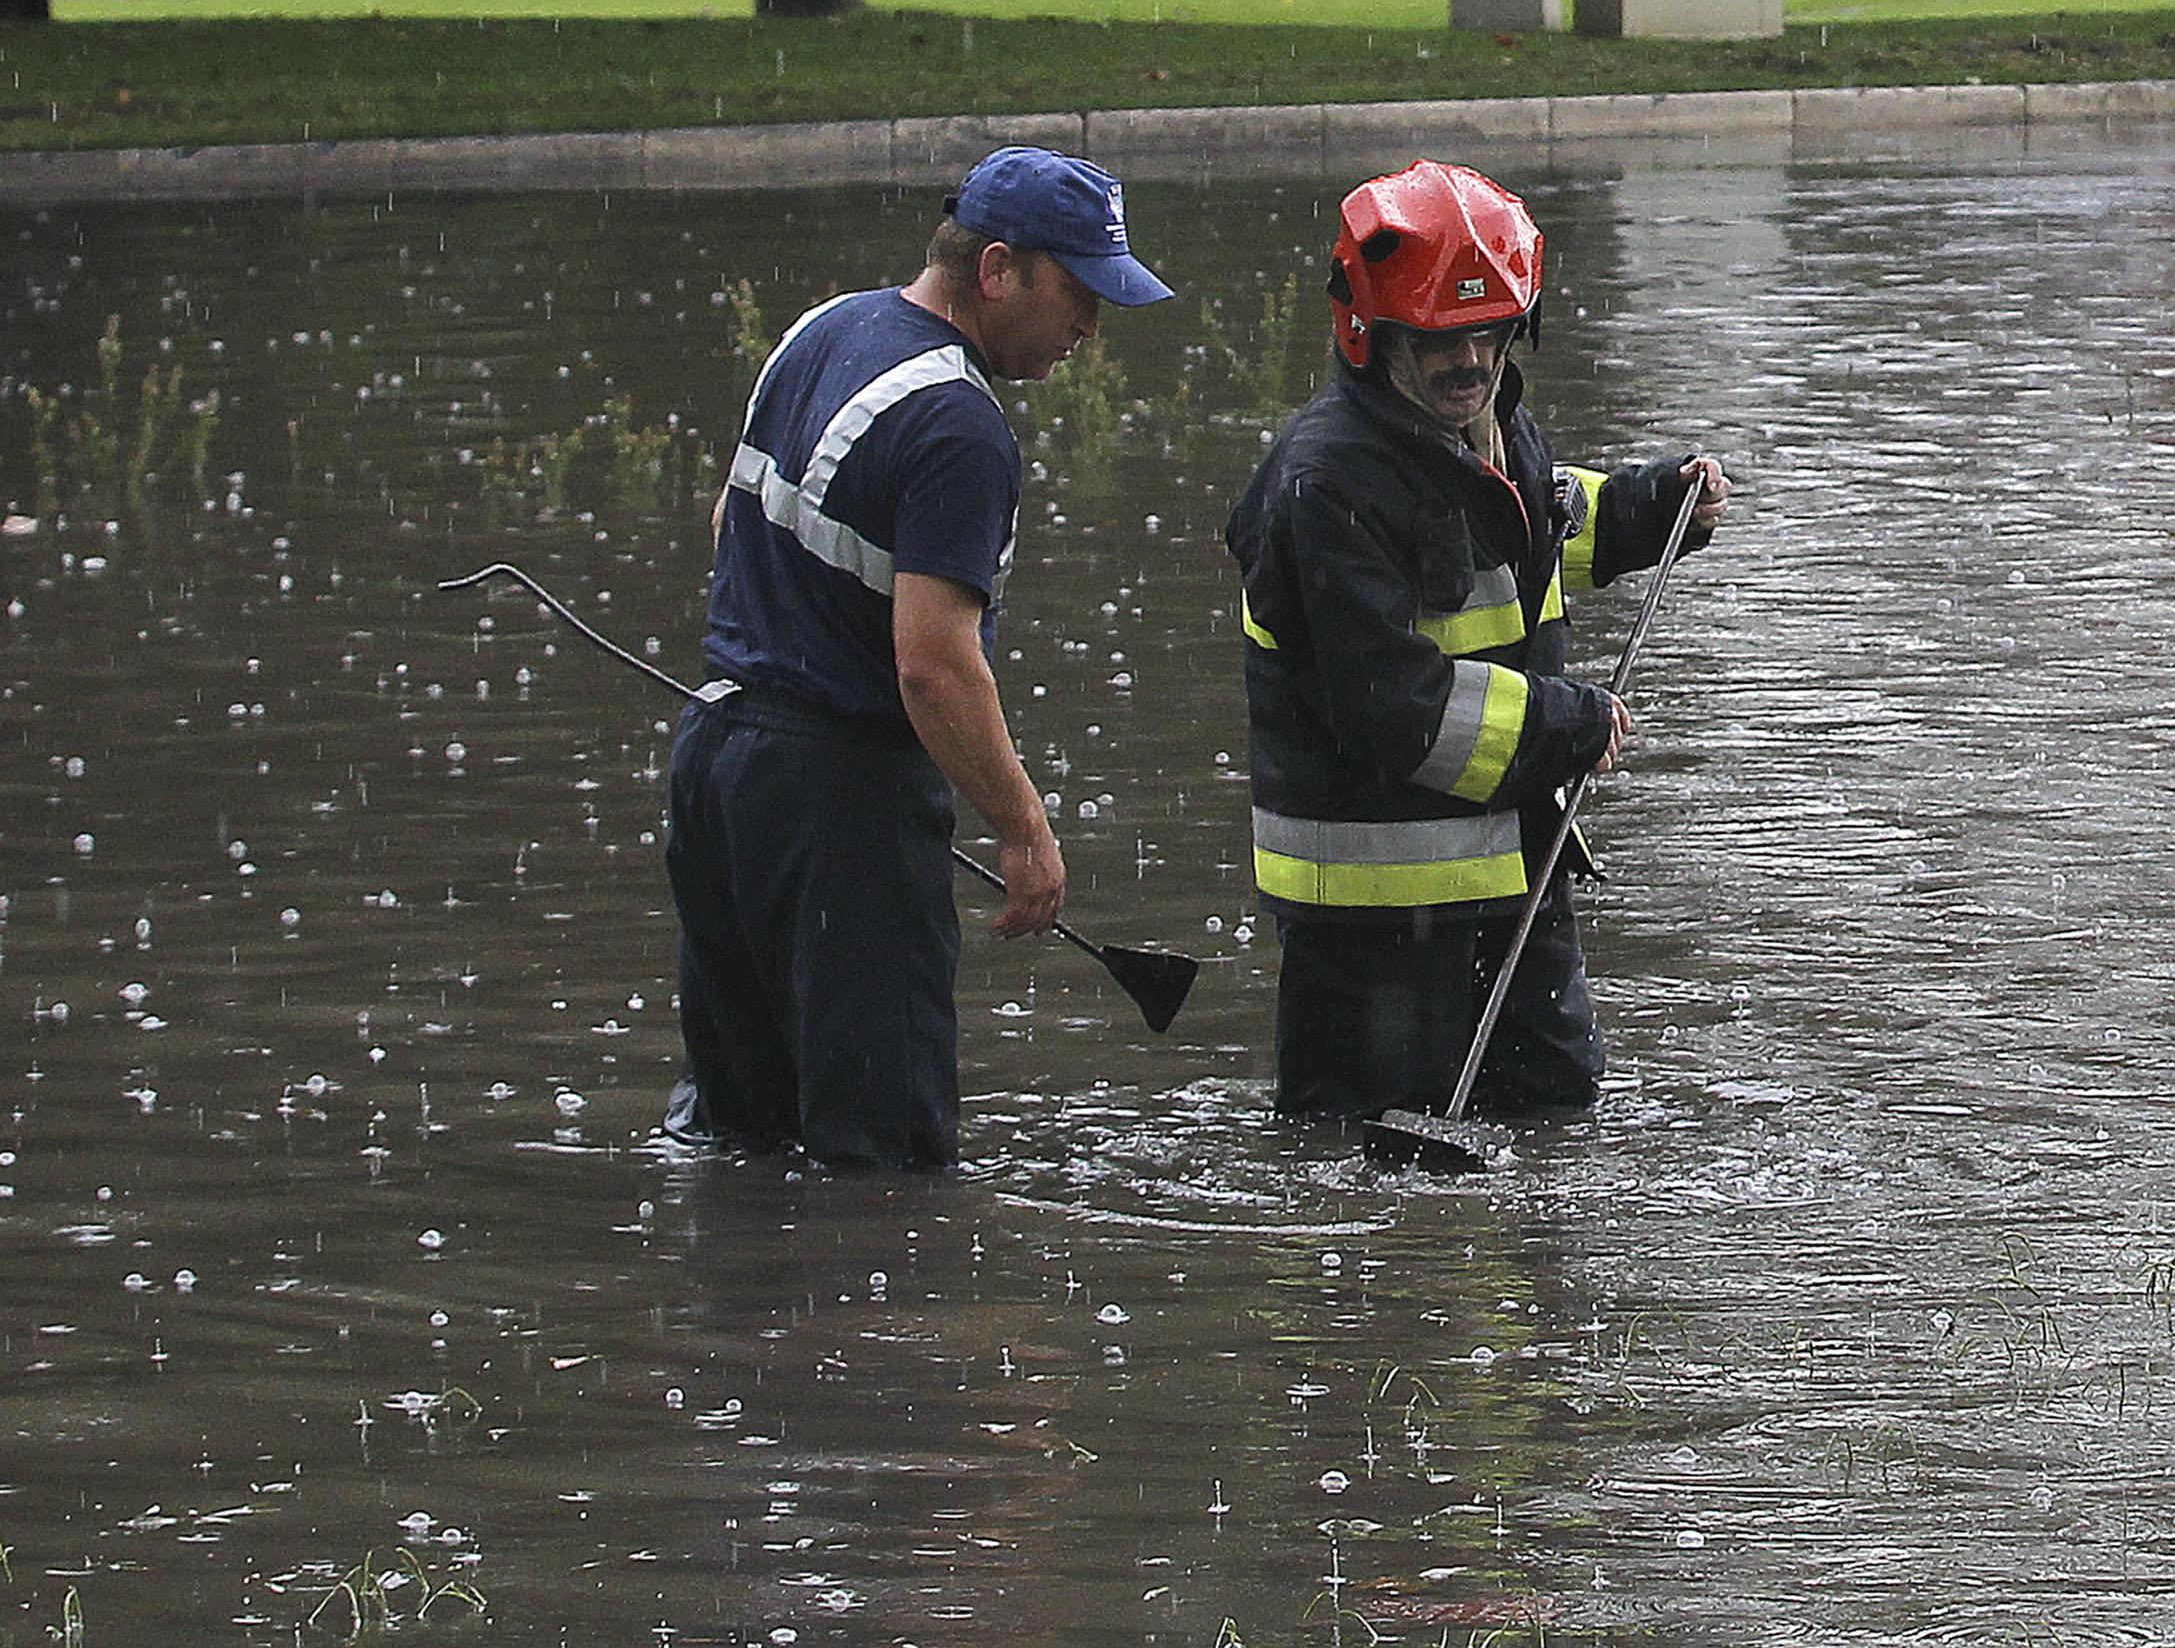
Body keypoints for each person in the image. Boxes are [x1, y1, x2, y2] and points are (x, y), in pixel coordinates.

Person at [663, 144, 1173, 1169]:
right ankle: (883, 1323)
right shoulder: (956, 421)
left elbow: (732, 519)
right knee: (880, 1158)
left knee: (742, 1131)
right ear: (998, 270)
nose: (1088, 329)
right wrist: (1023, 831)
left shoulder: (824, 327)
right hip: (838, 798)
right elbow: (932, 667)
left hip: (718, 764)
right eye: (1077, 295)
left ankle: (738, 1315)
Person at [1225, 161, 1733, 1127]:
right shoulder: (1322, 485)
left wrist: (1644, 511)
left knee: (1555, 1123)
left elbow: (1524, 533)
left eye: (1489, 333)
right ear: (1372, 338)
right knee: (1359, 1171)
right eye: (1441, 341)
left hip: (1507, 871)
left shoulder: (1486, 423)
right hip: (1373, 916)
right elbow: (1395, 706)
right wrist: (1566, 722)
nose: (1470, 362)